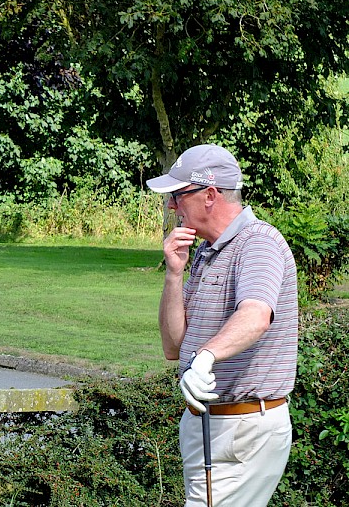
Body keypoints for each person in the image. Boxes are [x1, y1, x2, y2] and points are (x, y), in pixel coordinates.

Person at [148, 144, 298, 507]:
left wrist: (205, 357)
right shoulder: (205, 250)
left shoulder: (258, 243)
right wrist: (174, 273)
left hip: (241, 430)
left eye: (178, 195)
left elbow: (256, 315)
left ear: (210, 195)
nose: (171, 206)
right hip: (211, 427)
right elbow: (173, 348)